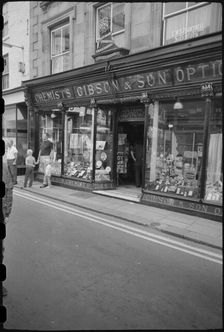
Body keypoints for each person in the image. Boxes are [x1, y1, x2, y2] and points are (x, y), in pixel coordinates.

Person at [1, 153, 14, 297]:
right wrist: (7, 213)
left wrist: (7, 212)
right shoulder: (4, 166)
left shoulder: (3, 166)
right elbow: (9, 190)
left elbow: (8, 190)